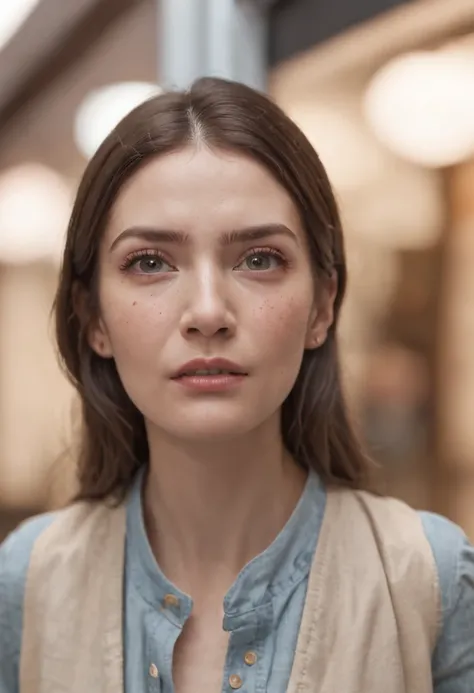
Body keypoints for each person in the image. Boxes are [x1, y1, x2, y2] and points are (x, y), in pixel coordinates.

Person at [0, 77, 473, 693]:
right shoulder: (28, 582)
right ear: (93, 318)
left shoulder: (428, 580)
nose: (207, 310)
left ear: (323, 306)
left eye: (259, 259)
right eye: (149, 262)